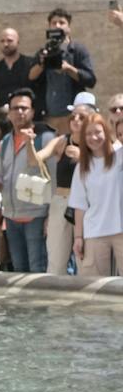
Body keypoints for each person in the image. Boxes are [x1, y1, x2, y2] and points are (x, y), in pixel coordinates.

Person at [0, 88, 57, 273]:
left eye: (24, 108)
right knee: (19, 269)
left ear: (32, 112)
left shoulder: (45, 138)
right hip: (12, 217)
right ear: (9, 114)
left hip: (36, 217)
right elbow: (1, 174)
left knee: (38, 270)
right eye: (15, 108)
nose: (19, 112)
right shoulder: (5, 141)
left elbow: (54, 180)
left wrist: (50, 217)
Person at [41, 96, 95, 275]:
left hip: (88, 205)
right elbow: (37, 159)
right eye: (73, 116)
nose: (75, 120)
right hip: (61, 200)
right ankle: (56, 302)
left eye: (81, 116)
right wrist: (28, 142)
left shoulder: (99, 143)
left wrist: (82, 157)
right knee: (56, 261)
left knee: (85, 260)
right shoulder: (62, 141)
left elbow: (106, 171)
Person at [71, 108, 123, 277]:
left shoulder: (119, 156)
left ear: (106, 132)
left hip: (121, 229)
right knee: (94, 286)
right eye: (88, 134)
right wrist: (78, 237)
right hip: (95, 232)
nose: (93, 137)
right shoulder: (82, 167)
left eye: (98, 132)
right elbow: (80, 206)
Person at [27, 8, 98, 131]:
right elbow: (30, 78)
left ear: (69, 28)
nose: (57, 25)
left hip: (71, 116)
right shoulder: (44, 51)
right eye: (54, 23)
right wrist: (42, 64)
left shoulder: (78, 50)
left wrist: (68, 69)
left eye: (61, 22)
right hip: (48, 116)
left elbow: (90, 80)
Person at [0, 28, 35, 111]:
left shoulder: (30, 64)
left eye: (9, 41)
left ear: (18, 42)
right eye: (2, 41)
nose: (5, 44)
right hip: (3, 118)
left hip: (26, 115)